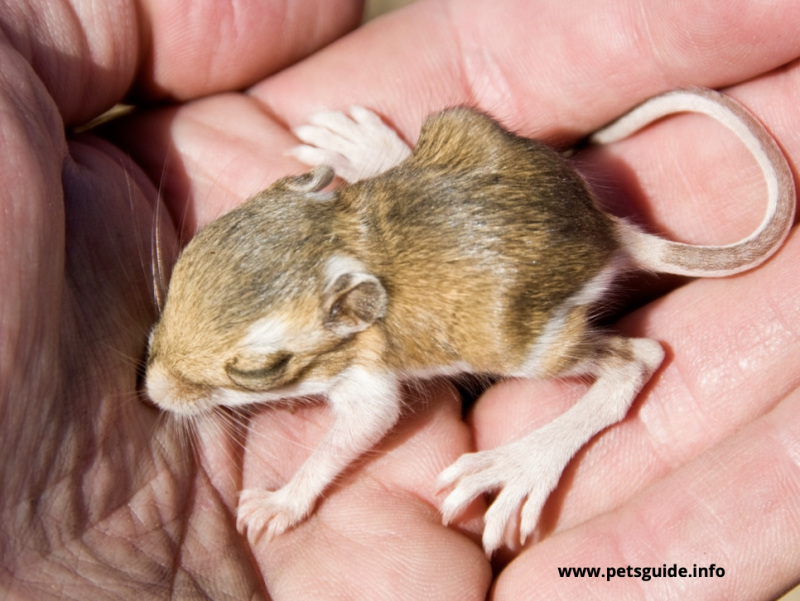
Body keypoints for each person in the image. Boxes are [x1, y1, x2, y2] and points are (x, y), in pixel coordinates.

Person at [2, 0, 799, 598]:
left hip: (529, 274)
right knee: (458, 127)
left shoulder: (361, 334)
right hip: (502, 204)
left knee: (510, 338)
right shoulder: (327, 209)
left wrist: (299, 489)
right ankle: (431, 173)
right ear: (303, 189)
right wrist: (398, 163)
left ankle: (618, 373)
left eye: (251, 367)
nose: (164, 384)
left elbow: (370, 409)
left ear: (353, 308)